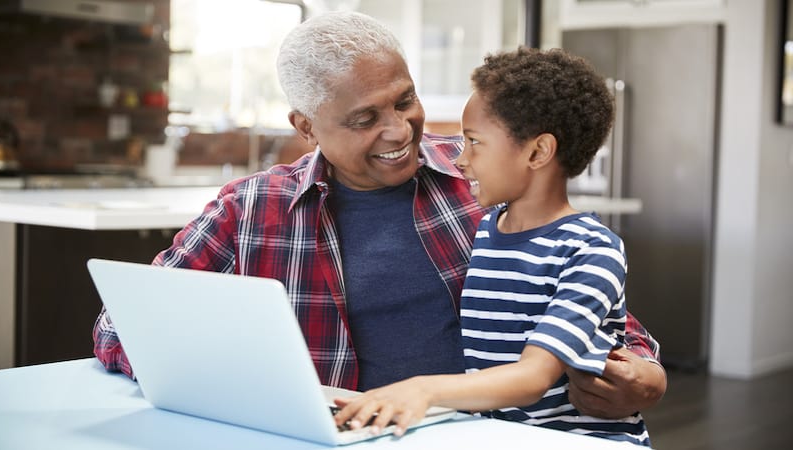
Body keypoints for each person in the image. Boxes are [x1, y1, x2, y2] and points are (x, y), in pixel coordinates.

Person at [93, 11, 665, 420]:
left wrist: (644, 374)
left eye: (404, 100)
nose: (399, 130)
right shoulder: (250, 210)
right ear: (307, 127)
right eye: (365, 119)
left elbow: (590, 306)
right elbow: (120, 327)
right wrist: (234, 376)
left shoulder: (482, 182)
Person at [331, 47, 652, 445]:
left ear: (537, 152)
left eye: (474, 142)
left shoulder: (592, 250)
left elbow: (533, 378)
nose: (461, 160)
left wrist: (422, 389)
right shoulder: (487, 230)